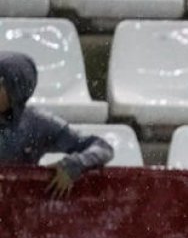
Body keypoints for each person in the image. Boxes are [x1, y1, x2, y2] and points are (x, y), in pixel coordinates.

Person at [0, 51, 113, 198]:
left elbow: (101, 147)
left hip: (19, 206)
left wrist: (74, 164)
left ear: (15, 90)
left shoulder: (37, 124)